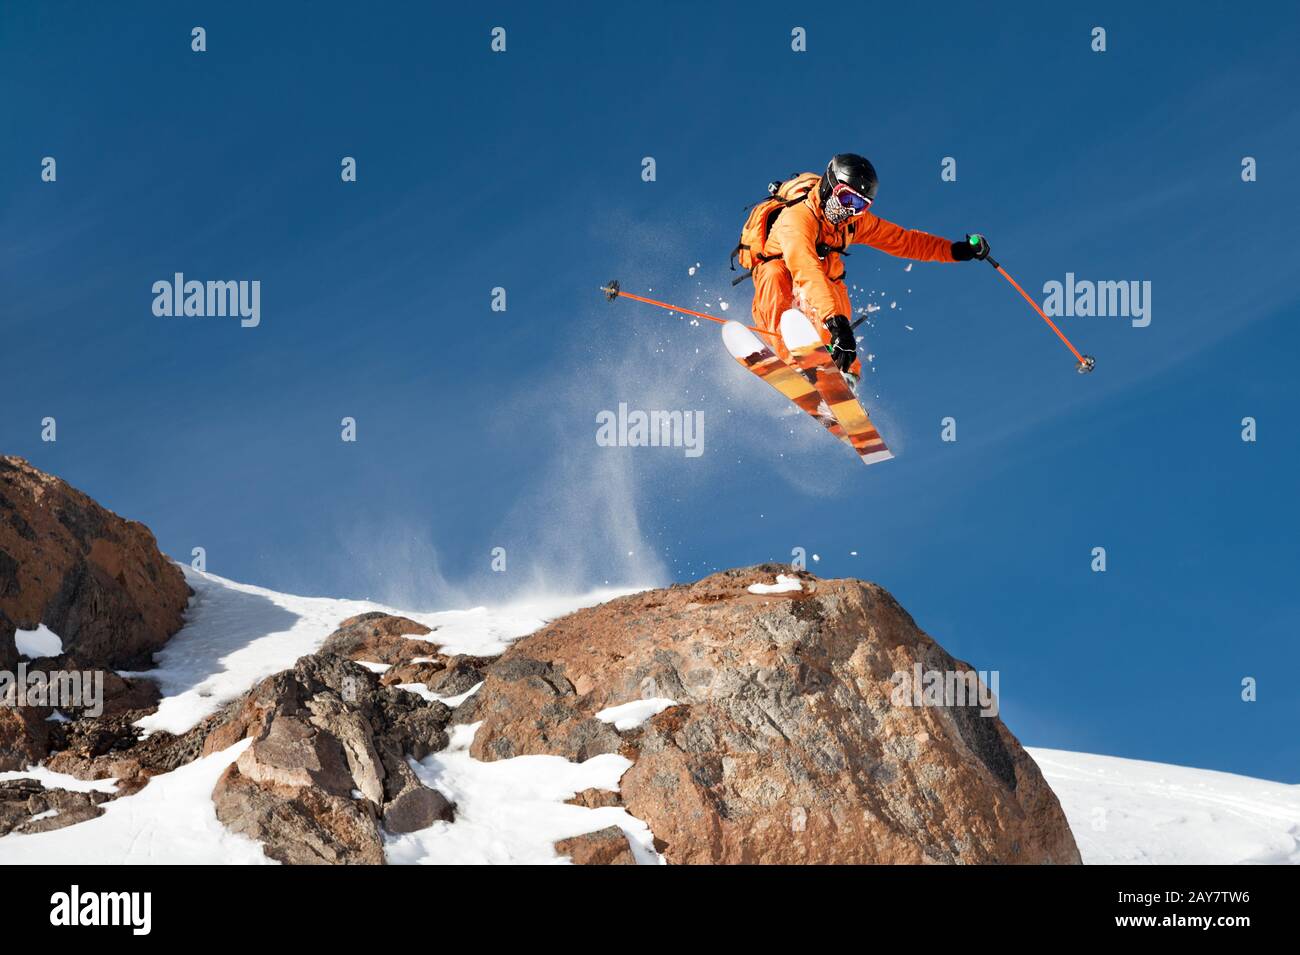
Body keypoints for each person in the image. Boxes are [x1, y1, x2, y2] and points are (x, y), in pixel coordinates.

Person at [748, 153, 989, 385]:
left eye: (859, 205)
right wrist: (836, 323)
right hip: (782, 271)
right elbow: (805, 269)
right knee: (777, 276)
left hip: (818, 276)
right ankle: (794, 362)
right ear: (829, 186)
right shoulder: (798, 219)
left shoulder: (852, 222)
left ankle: (844, 372)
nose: (849, 210)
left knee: (834, 291)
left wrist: (957, 250)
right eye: (846, 199)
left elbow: (904, 241)